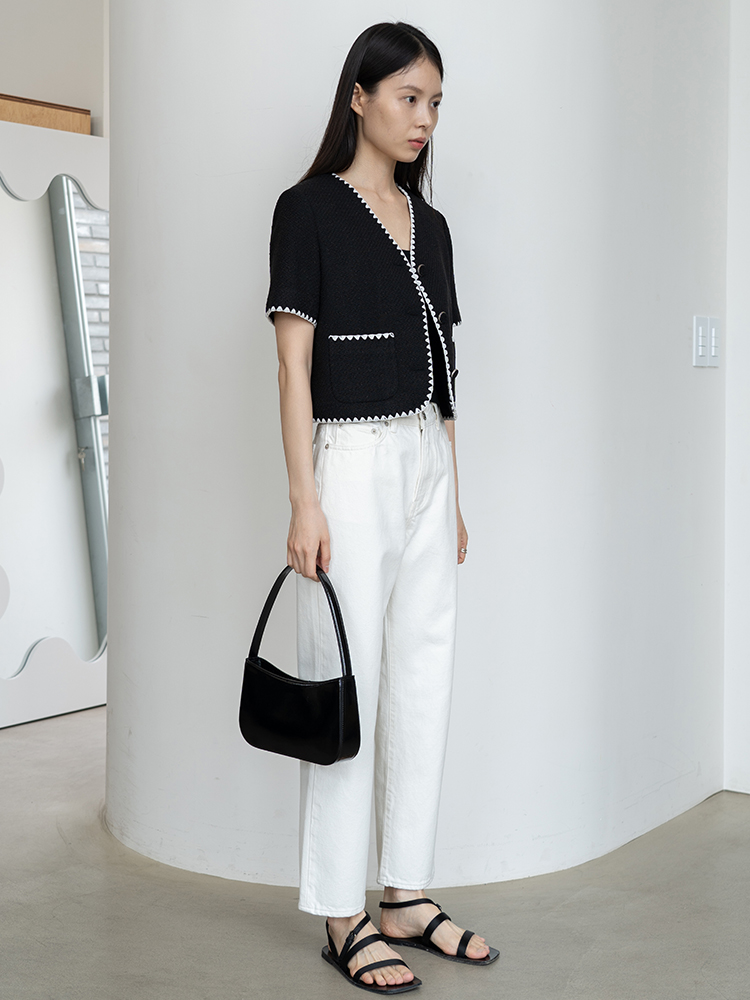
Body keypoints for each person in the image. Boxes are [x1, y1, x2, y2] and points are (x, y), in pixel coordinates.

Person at [266, 21, 498, 993]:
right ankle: (340, 909)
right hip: (351, 466)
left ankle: (404, 892)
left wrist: (453, 492)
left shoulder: (429, 225)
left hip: (425, 466)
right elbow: (293, 366)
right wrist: (304, 501)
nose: (424, 117)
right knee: (347, 687)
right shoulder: (307, 209)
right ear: (359, 97)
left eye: (435, 102)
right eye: (409, 97)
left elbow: (446, 376)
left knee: (424, 679)